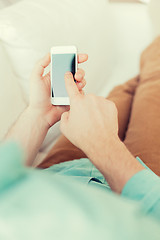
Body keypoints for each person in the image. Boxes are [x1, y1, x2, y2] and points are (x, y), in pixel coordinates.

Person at [1, 38, 160, 239]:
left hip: (56, 173)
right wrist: (103, 145)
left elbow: (3, 177)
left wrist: (39, 114)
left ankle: (137, 80)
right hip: (143, 191)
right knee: (155, 74)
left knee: (121, 92)